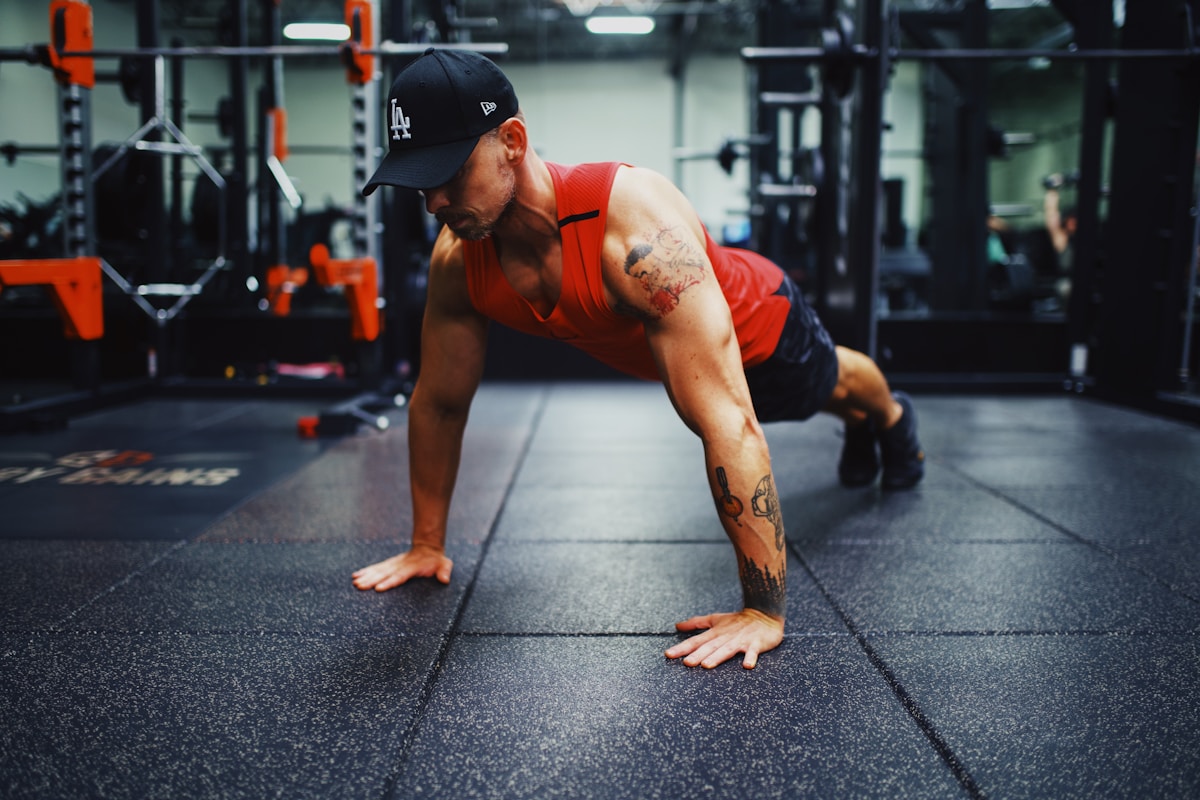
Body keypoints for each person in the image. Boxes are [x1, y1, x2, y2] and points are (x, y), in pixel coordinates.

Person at [351, 49, 924, 670]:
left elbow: (727, 422)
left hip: (762, 324)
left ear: (511, 141)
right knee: (816, 401)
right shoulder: (460, 260)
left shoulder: (634, 231)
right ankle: (870, 425)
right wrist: (425, 544)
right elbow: (438, 401)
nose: (434, 201)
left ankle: (894, 420)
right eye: (419, 183)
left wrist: (763, 610)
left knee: (828, 386)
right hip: (677, 358)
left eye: (448, 174)